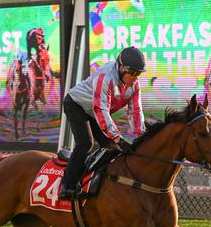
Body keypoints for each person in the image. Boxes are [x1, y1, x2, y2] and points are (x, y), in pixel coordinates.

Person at [59, 46, 146, 200]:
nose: (135, 78)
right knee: (86, 143)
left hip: (94, 111)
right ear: (121, 68)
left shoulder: (134, 86)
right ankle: (67, 186)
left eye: (138, 74)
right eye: (132, 73)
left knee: (111, 149)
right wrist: (118, 138)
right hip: (76, 105)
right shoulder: (105, 77)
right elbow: (101, 110)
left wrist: (141, 137)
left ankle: (96, 184)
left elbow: (136, 112)